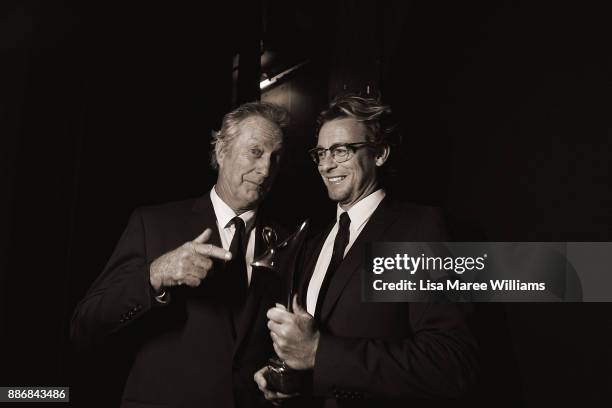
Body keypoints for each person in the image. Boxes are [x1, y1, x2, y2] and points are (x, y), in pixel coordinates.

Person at [254, 95, 478, 407]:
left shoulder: (419, 228)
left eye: (341, 151)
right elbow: (315, 358)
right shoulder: (314, 240)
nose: (327, 164)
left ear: (380, 153)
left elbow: (451, 362)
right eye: (321, 153)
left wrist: (319, 352)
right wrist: (292, 377)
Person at [71, 101, 290, 408]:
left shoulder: (288, 242)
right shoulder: (153, 223)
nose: (266, 169)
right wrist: (155, 274)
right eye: (256, 152)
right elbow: (85, 326)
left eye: (276, 158)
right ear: (221, 152)